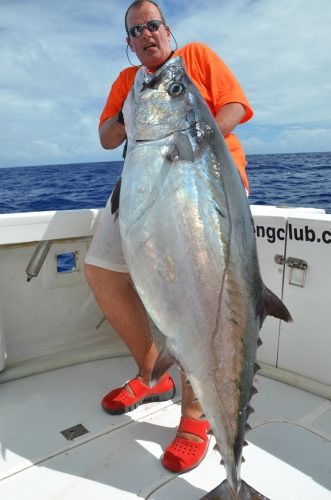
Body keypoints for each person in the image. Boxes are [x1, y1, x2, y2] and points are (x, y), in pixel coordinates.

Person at [85, 0, 253, 474]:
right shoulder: (126, 82)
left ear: (168, 29)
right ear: (129, 42)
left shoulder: (196, 58)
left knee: (199, 298)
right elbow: (106, 137)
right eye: (136, 30)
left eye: (153, 24)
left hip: (207, 186)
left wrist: (193, 135)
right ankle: (152, 373)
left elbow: (236, 106)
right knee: (101, 269)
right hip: (142, 188)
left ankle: (196, 418)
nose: (146, 34)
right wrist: (135, 114)